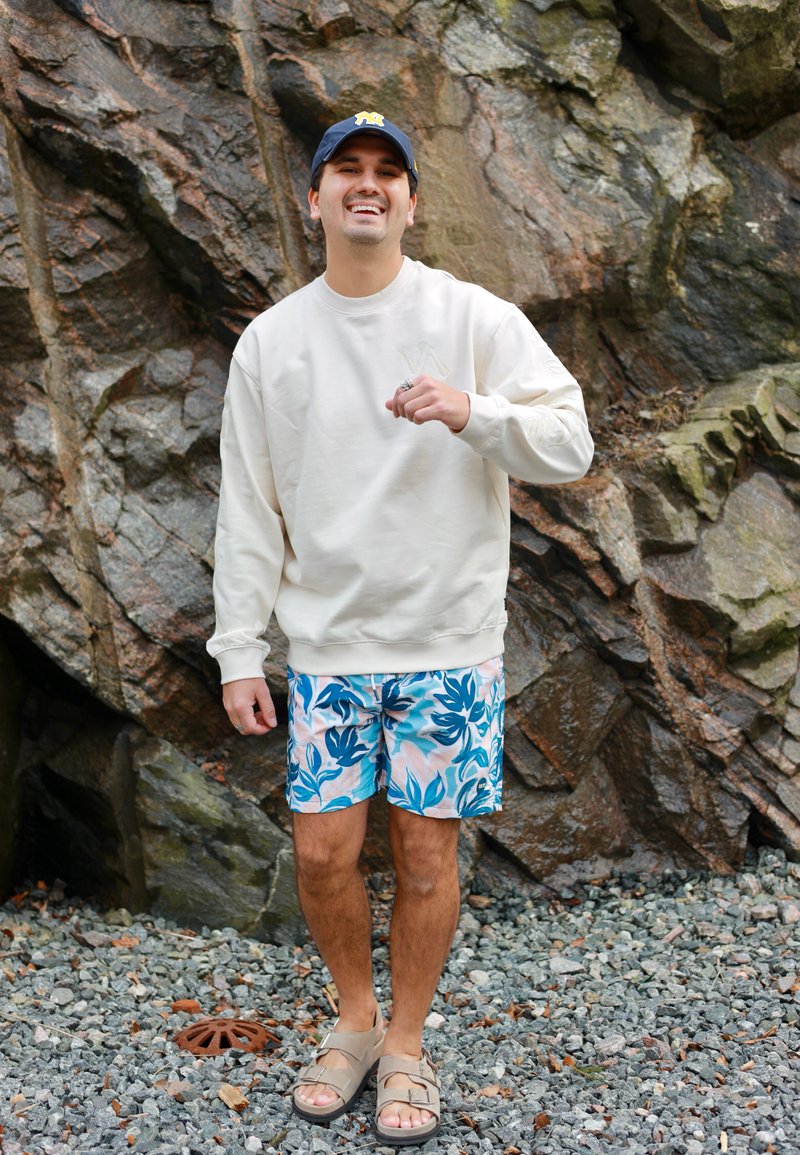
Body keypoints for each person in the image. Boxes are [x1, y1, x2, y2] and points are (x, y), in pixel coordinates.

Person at [207, 110, 594, 1145]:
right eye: (347, 170)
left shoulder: (471, 317)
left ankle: (408, 1043)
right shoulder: (272, 341)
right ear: (315, 198)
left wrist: (473, 412)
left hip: (445, 645)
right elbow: (248, 508)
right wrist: (239, 648)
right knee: (322, 854)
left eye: (387, 171)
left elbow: (570, 441)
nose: (367, 185)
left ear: (413, 202)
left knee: (426, 858)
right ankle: (354, 1020)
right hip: (328, 651)